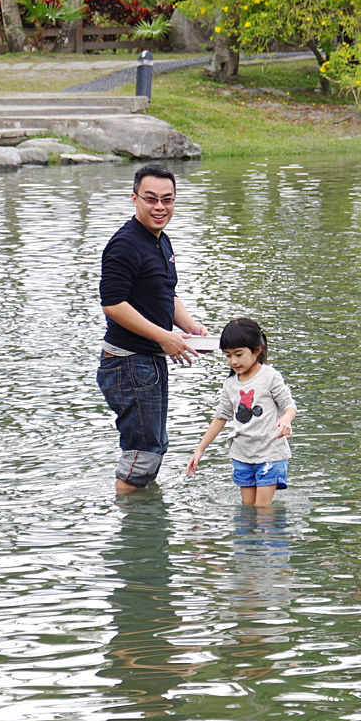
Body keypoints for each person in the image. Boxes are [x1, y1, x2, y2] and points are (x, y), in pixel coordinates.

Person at [98, 163, 208, 495]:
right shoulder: (125, 244)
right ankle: (133, 533)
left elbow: (164, 293)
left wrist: (189, 327)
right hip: (128, 362)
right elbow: (113, 304)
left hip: (148, 360)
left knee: (154, 446)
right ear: (134, 199)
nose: (159, 207)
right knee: (143, 451)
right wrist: (163, 336)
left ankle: (146, 527)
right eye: (151, 199)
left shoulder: (160, 240)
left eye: (167, 199)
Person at [186, 318, 297, 507]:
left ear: (257, 350)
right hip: (242, 455)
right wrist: (199, 450)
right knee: (248, 508)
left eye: (238, 354)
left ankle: (271, 536)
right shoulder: (230, 385)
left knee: (262, 507)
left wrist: (286, 419)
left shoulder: (269, 376)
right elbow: (220, 418)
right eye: (228, 355)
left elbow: (289, 405)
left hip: (270, 452)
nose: (233, 361)